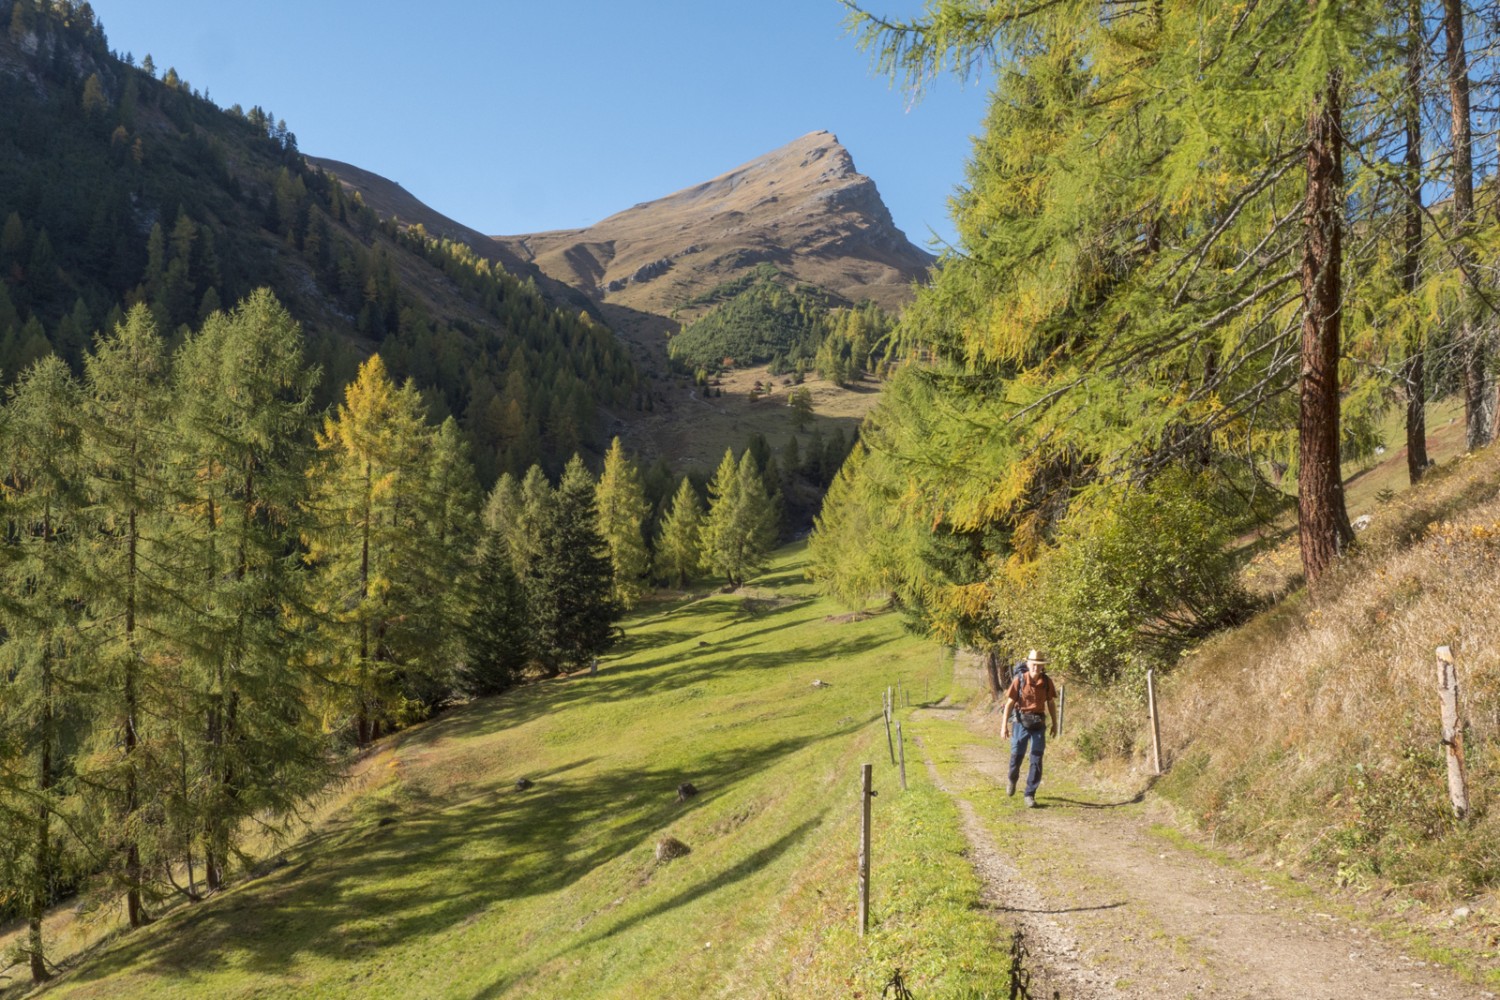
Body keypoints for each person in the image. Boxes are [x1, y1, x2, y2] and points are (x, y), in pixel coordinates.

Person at [1001, 648, 1059, 808]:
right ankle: (1012, 779)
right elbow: (1009, 704)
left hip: (1038, 724)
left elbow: (1051, 703)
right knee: (1016, 758)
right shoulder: (1019, 680)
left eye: (1039, 665)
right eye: (1033, 664)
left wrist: (1055, 723)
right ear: (1028, 664)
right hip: (1020, 723)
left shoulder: (1047, 682)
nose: (1036, 667)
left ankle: (1029, 794)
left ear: (1042, 667)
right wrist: (1004, 725)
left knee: (1036, 759)